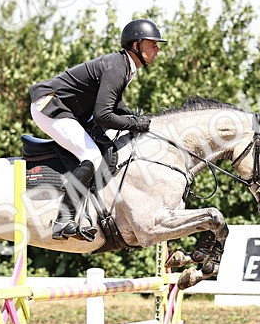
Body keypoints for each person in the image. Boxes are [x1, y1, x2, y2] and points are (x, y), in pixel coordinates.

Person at [29, 18, 166, 239]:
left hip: (68, 109)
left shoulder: (123, 65)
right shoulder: (117, 67)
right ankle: (63, 220)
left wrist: (138, 119)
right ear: (136, 45)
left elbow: (116, 106)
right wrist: (135, 123)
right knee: (91, 155)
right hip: (50, 105)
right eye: (152, 44)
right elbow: (103, 116)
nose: (157, 49)